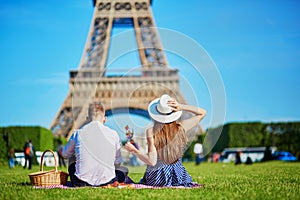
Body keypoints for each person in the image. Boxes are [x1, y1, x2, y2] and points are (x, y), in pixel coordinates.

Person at [124, 94, 206, 187]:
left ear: (156, 114)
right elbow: (202, 113)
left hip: (157, 178)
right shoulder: (181, 127)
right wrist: (181, 106)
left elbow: (152, 161)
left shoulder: (151, 131)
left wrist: (134, 150)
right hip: (178, 177)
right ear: (173, 113)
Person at [62, 102, 128, 187]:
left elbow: (65, 155)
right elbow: (117, 163)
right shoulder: (113, 134)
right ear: (105, 119)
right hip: (107, 181)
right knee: (123, 170)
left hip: (81, 182)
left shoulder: (77, 133)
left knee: (72, 156)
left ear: (87, 118)